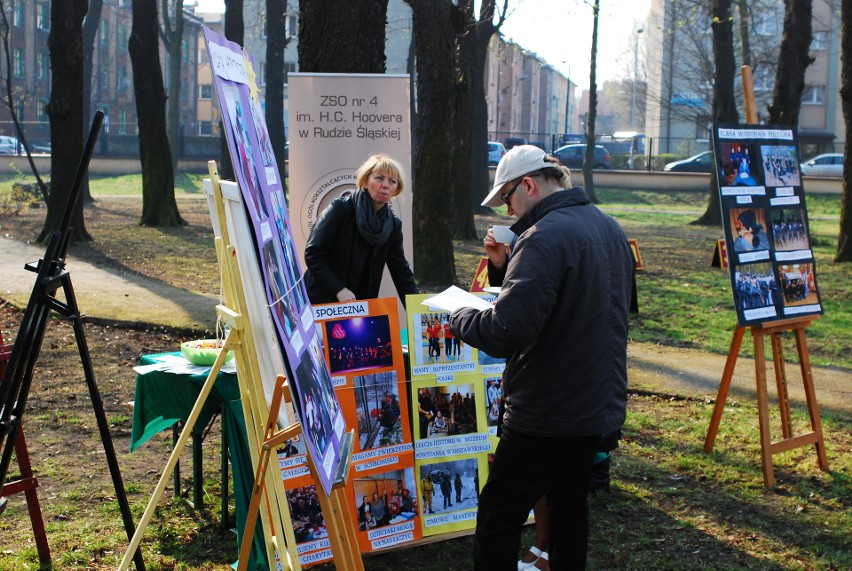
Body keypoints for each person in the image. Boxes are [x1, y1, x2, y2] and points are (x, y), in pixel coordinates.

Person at [450, 145, 634, 570]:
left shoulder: (543, 237)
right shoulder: (609, 227)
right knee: (571, 507)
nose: (510, 212)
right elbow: (579, 306)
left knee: (500, 511)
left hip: (548, 411)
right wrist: (504, 270)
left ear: (529, 185)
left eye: (509, 200)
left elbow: (505, 331)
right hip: (596, 404)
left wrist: (457, 316)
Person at [303, 154, 418, 305]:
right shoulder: (340, 209)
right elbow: (313, 254)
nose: (385, 185)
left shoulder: (393, 226)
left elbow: (401, 272)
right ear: (364, 181)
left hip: (361, 304)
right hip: (320, 300)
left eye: (392, 181)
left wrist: (418, 312)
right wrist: (339, 289)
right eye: (379, 178)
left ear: (396, 190)